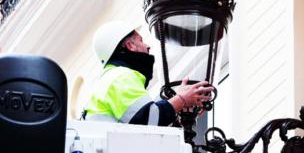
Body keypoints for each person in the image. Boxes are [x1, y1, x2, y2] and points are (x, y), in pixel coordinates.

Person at [84, 21, 213, 126]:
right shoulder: (120, 76)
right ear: (130, 46)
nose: (147, 46)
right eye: (141, 40)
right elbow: (148, 119)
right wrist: (182, 99)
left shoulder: (110, 78)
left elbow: (141, 131)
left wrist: (180, 117)